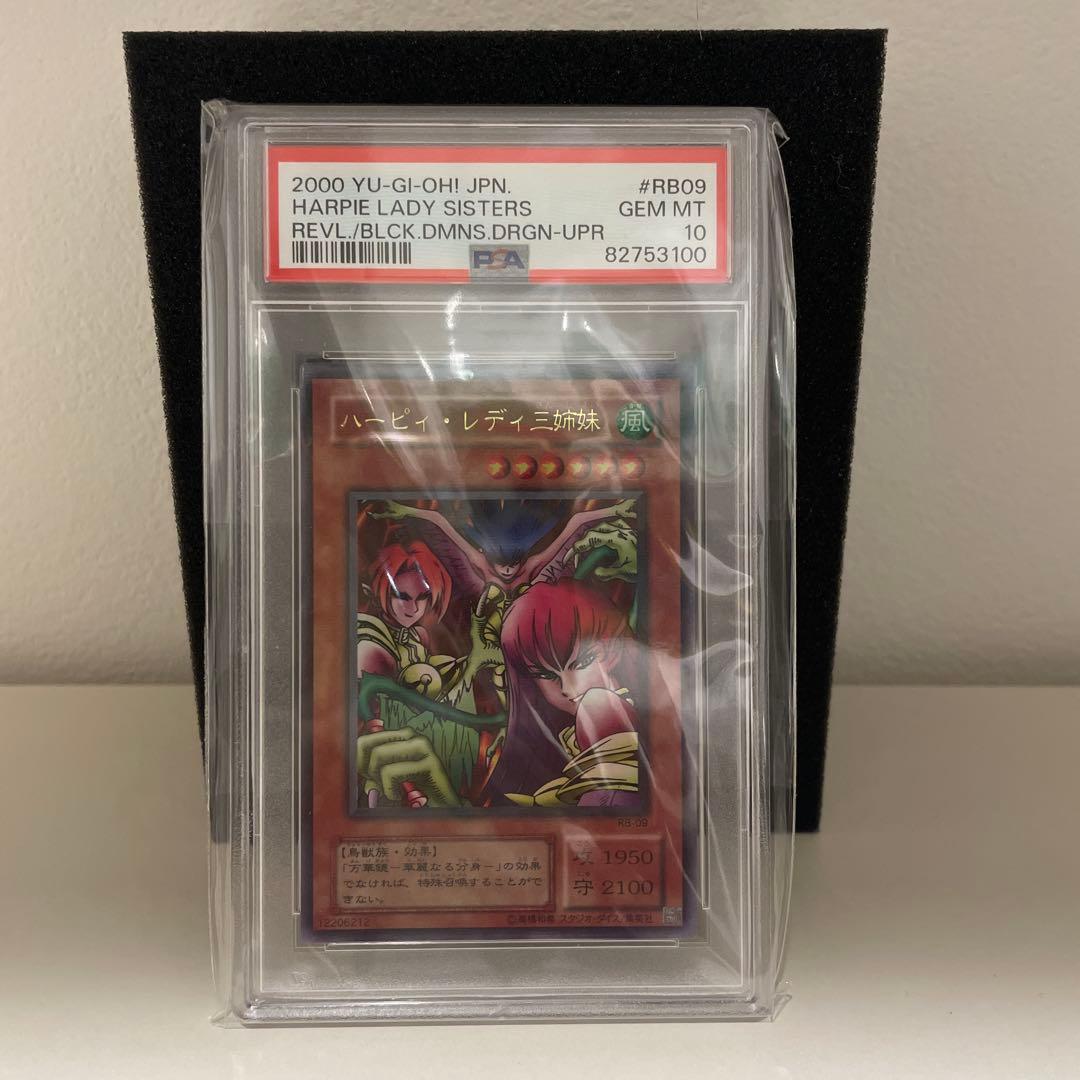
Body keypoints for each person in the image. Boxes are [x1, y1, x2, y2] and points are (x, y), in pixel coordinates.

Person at [487, 580, 640, 808]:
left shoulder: (636, 718)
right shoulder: (556, 744)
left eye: (582, 662)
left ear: (612, 650)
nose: (568, 688)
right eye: (546, 675)